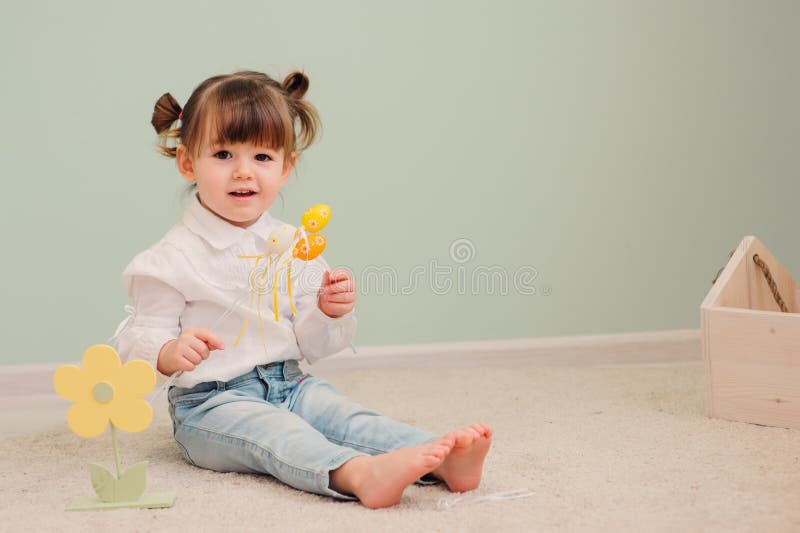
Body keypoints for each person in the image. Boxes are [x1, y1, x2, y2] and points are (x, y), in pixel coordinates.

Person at [116, 70, 492, 509]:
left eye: (262, 157)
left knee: (343, 416)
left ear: (286, 167)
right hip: (211, 404)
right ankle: (356, 473)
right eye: (222, 154)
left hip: (289, 383)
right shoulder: (170, 258)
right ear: (187, 163)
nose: (243, 171)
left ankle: (441, 458)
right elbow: (135, 341)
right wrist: (166, 351)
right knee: (280, 435)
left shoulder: (297, 246)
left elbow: (312, 344)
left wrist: (329, 311)